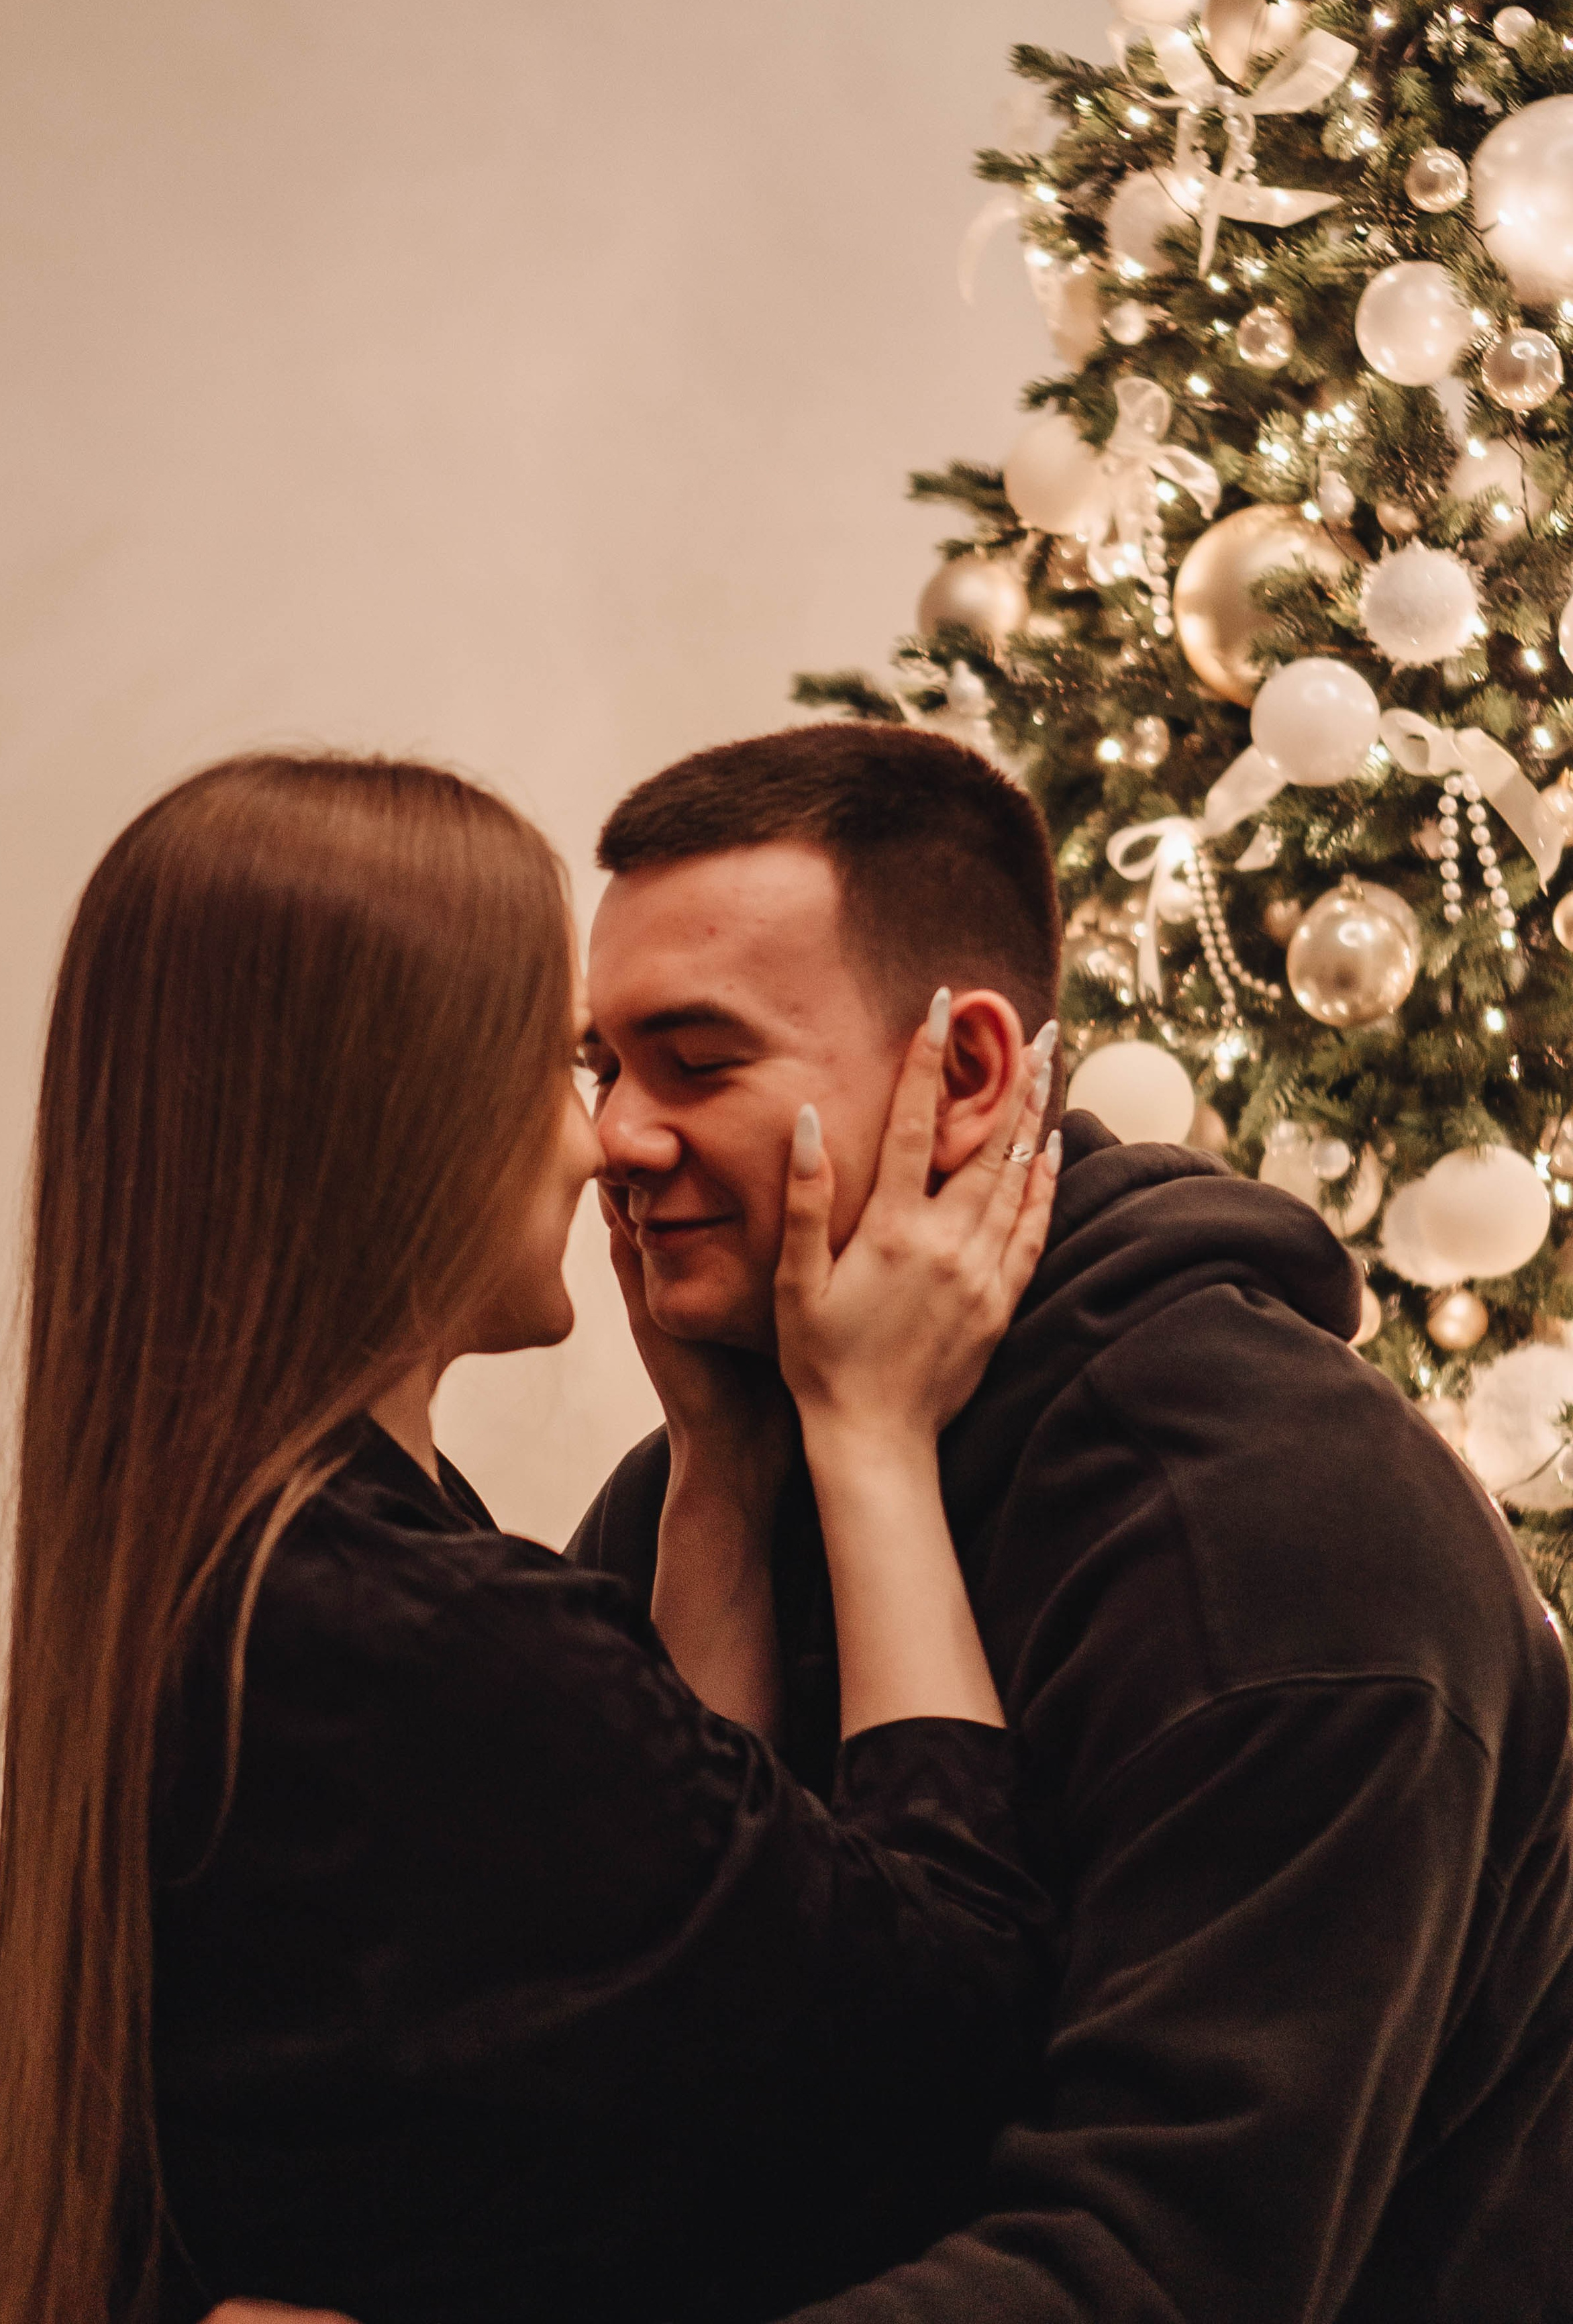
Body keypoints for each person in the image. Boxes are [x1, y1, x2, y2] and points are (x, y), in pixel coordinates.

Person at [0, 750, 1068, 2324]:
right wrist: (869, 1437)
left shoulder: (262, 1564)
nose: (602, 1142)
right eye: (562, 1064)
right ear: (382, 1115)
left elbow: (693, 1987)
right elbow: (934, 2037)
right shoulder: (399, 1630)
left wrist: (719, 1470)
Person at [568, 721, 1573, 2324]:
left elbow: (1156, 2270)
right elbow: (638, 2098)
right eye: (598, 1066)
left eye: (696, 1060)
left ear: (962, 1073)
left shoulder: (1272, 1531)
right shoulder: (705, 1472)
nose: (612, 1140)